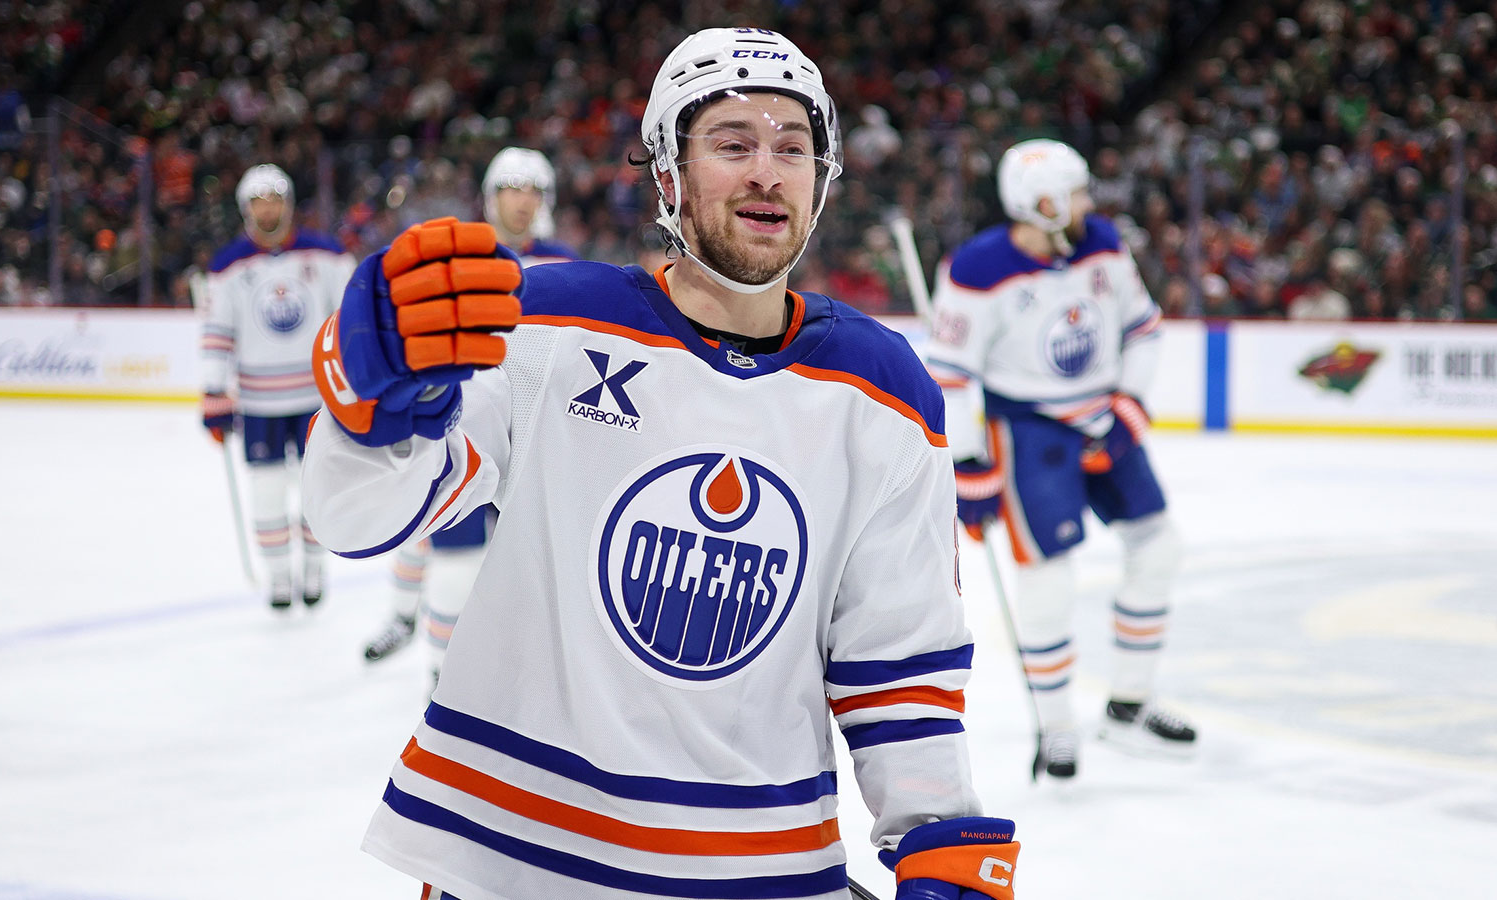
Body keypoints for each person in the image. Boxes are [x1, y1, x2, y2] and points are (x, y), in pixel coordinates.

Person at [301, 28, 1019, 900]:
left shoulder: (885, 391)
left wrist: (939, 844)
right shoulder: (546, 326)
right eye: (732, 143)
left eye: (794, 148)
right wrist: (372, 409)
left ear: (821, 184)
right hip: (507, 859)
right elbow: (355, 519)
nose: (768, 170)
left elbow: (898, 661)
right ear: (668, 175)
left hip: (757, 869)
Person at [924, 139, 1195, 781]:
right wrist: (969, 463)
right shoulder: (980, 268)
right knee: (1047, 576)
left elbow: (1142, 326)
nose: (1087, 203)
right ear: (1043, 204)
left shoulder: (1100, 241)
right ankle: (1058, 729)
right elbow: (952, 374)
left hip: (1103, 418)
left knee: (1159, 548)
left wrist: (1130, 404)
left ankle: (1128, 704)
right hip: (1030, 429)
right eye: (1075, 193)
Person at [363, 147, 579, 682]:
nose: (522, 201)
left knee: (494, 555)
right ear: (491, 195)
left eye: (532, 190)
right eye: (511, 188)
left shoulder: (569, 266)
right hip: (457, 418)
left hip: (528, 430)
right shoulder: (461, 255)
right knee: (431, 530)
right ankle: (423, 645)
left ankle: (453, 655)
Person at [201, 164, 356, 610]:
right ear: (245, 208)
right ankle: (280, 579)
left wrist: (355, 380)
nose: (267, 210)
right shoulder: (228, 265)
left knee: (315, 490)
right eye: (258, 202)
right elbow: (217, 330)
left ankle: (313, 568)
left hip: (316, 399)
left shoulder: (325, 255)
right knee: (267, 494)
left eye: (275, 199)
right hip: (258, 402)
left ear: (288, 203)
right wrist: (214, 392)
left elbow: (349, 320)